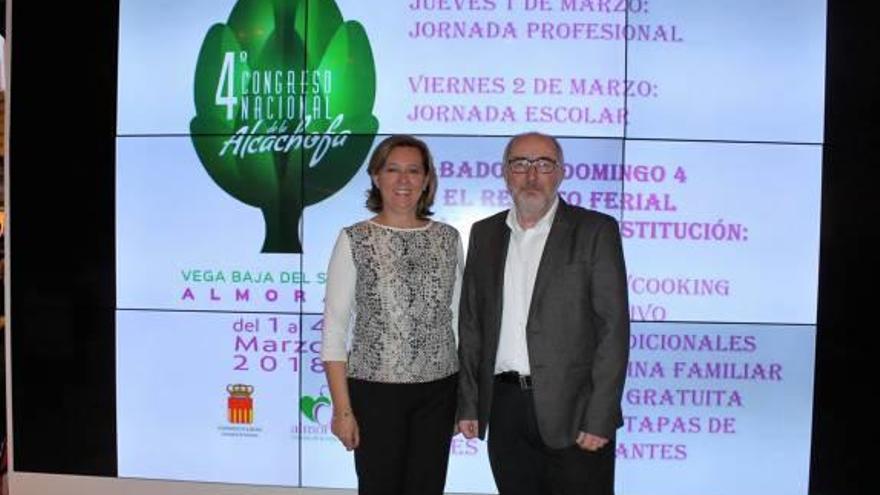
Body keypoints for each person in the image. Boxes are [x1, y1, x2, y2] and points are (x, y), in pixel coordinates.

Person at [457, 132, 630, 495]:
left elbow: (613, 331)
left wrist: (599, 418)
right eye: (520, 164)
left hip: (575, 414)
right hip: (505, 410)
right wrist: (469, 404)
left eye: (544, 164)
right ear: (505, 173)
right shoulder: (484, 234)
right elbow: (472, 326)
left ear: (562, 172)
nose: (532, 174)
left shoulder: (595, 230)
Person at [320, 134, 463, 495]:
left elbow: (461, 321)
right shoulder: (355, 239)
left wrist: (467, 400)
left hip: (439, 393)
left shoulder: (448, 239)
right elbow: (335, 331)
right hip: (374, 395)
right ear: (375, 177)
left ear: (427, 179)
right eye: (393, 169)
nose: (404, 180)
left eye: (414, 170)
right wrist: (342, 410)